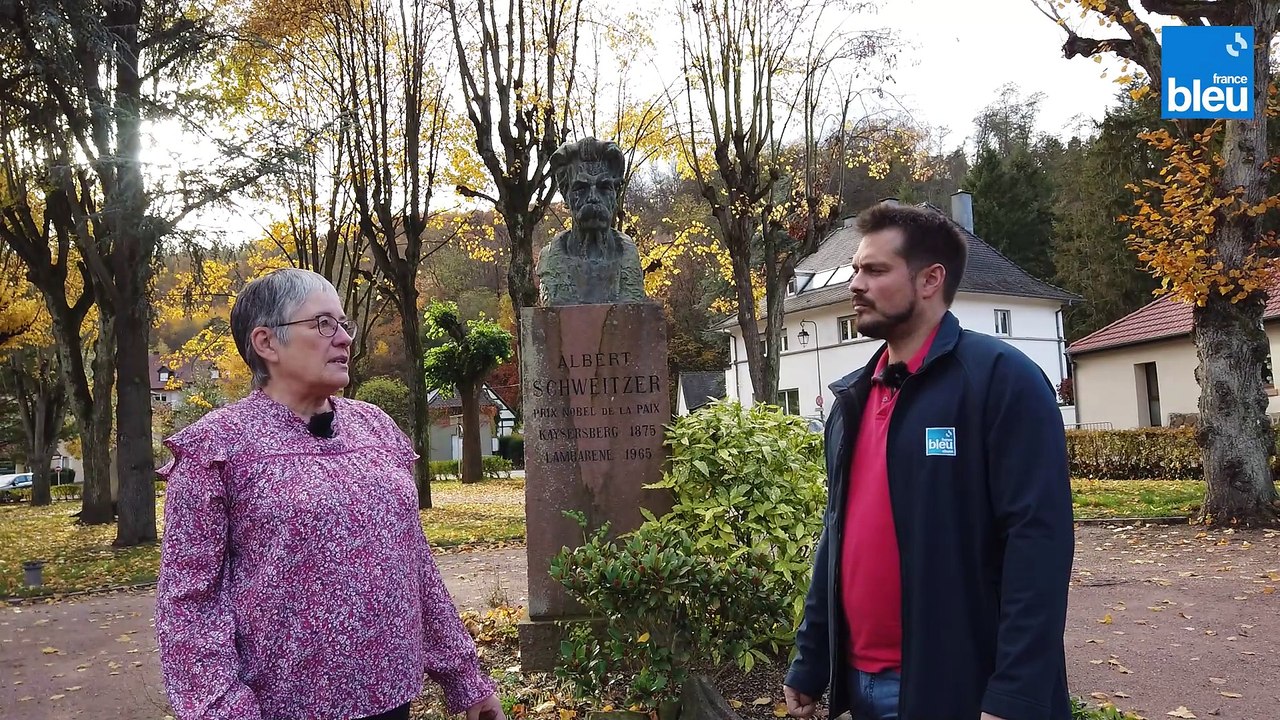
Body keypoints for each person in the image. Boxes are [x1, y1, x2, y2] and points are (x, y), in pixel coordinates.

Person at [155, 268, 505, 720]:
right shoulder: (215, 450)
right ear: (267, 343)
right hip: (280, 710)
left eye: (343, 324)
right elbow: (189, 604)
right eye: (323, 324)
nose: (343, 339)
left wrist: (465, 679)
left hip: (392, 699)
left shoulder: (376, 428)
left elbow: (414, 561)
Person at [781, 202, 1074, 720]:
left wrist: (1017, 693)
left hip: (960, 686)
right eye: (854, 270)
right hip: (860, 686)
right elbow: (838, 533)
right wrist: (812, 659)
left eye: (874, 270)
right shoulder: (852, 400)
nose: (855, 284)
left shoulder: (1003, 380)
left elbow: (1039, 542)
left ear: (930, 279)